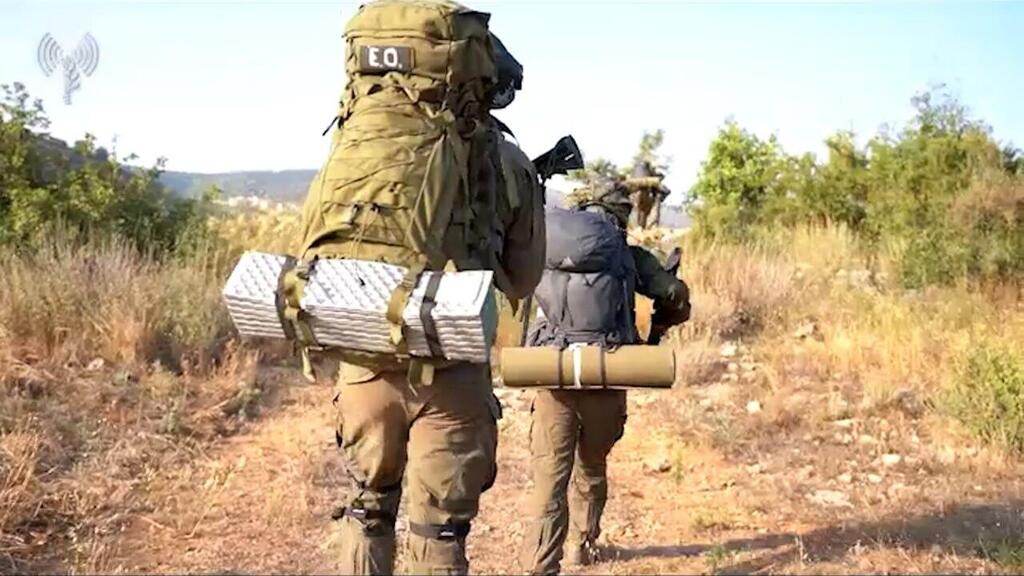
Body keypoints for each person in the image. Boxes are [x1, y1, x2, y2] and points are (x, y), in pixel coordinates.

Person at [328, 25, 546, 575]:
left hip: (366, 358)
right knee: (438, 530)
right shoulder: (509, 162)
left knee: (367, 512)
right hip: (452, 369)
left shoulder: (362, 143)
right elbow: (523, 280)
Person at [518, 180, 691, 575]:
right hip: (608, 372)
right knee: (592, 464)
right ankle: (581, 545)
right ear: (618, 216)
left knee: (549, 477)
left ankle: (539, 565)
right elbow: (674, 294)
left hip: (554, 374)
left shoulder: (546, 247)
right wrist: (660, 326)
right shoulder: (627, 254)